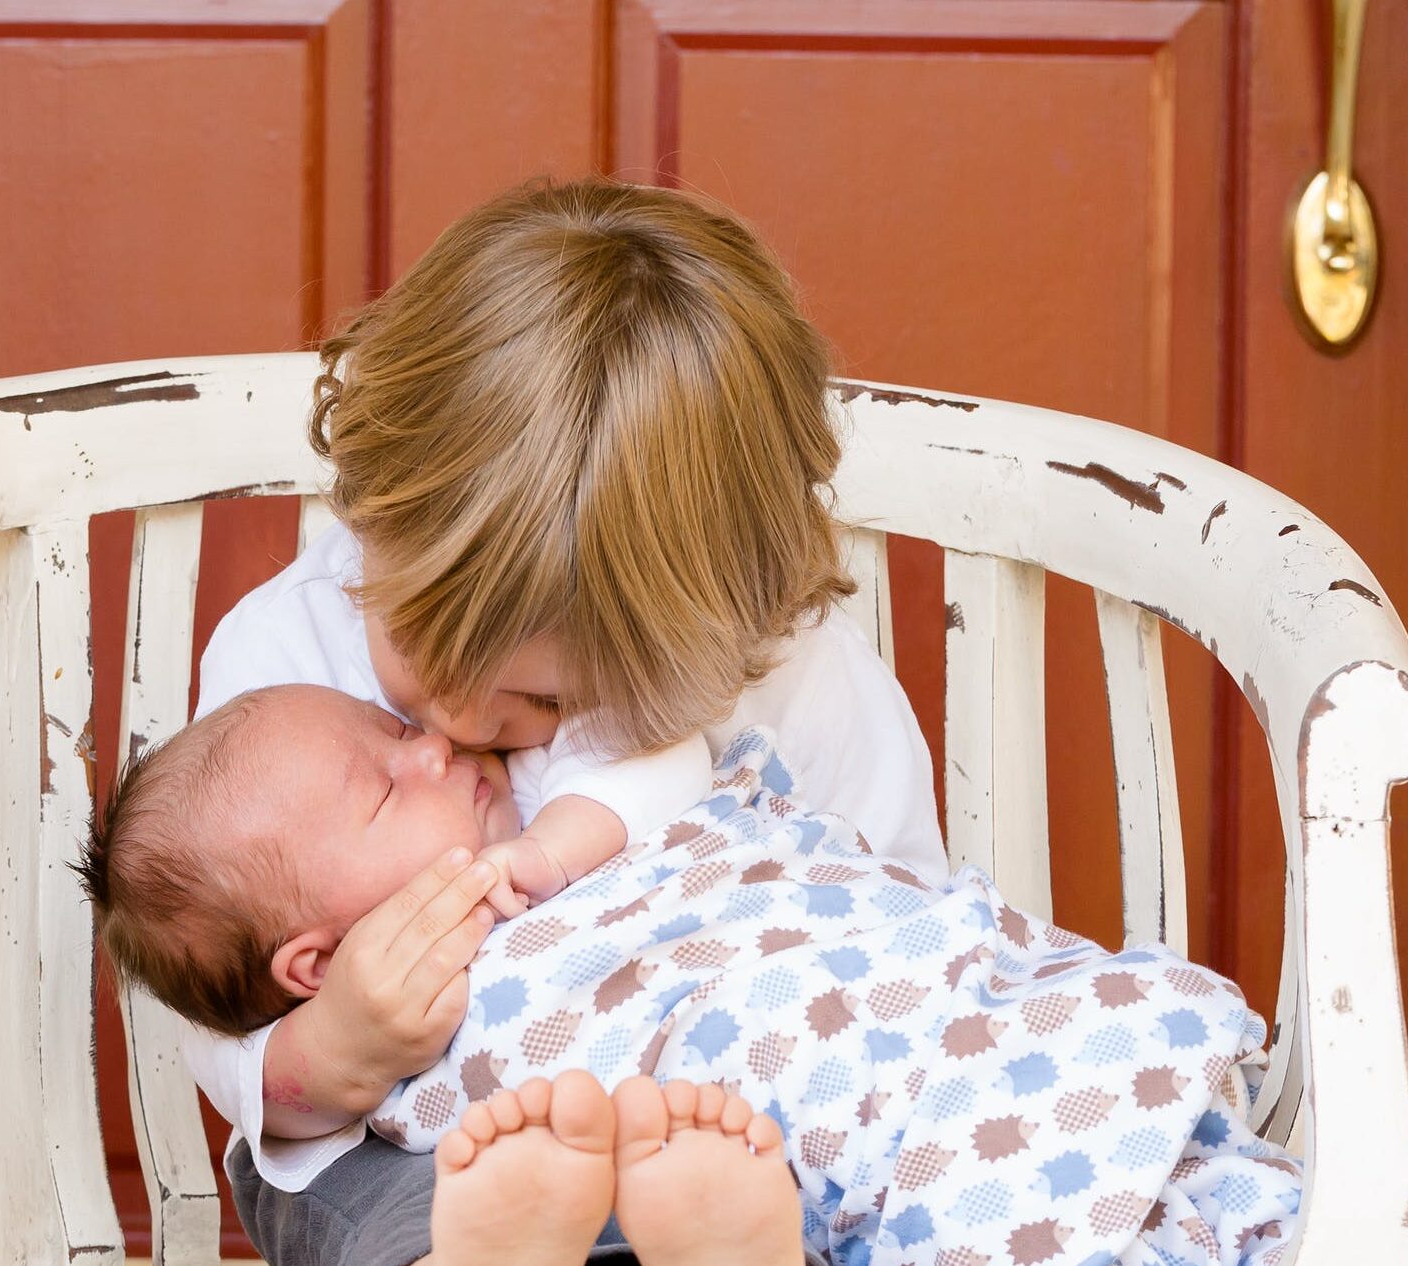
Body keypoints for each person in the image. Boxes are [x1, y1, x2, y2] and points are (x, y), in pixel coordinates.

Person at [115, 175, 944, 1266]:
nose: (454, 724)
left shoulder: (794, 683)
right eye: (419, 648)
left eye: (547, 702)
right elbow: (224, 1002)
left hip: (733, 1124)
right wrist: (336, 1047)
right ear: (370, 514)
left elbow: (907, 937)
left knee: (863, 1186)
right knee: (372, 1208)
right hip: (438, 1147)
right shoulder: (285, 658)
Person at [86, 695, 1299, 1266]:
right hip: (771, 1092)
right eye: (381, 782)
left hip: (941, 1002)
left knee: (1190, 1191)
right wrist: (345, 1043)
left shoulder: (557, 785)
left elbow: (681, 772)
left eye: (391, 726)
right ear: (313, 958)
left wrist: (552, 847)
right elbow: (293, 1118)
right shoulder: (433, 991)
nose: (430, 743)